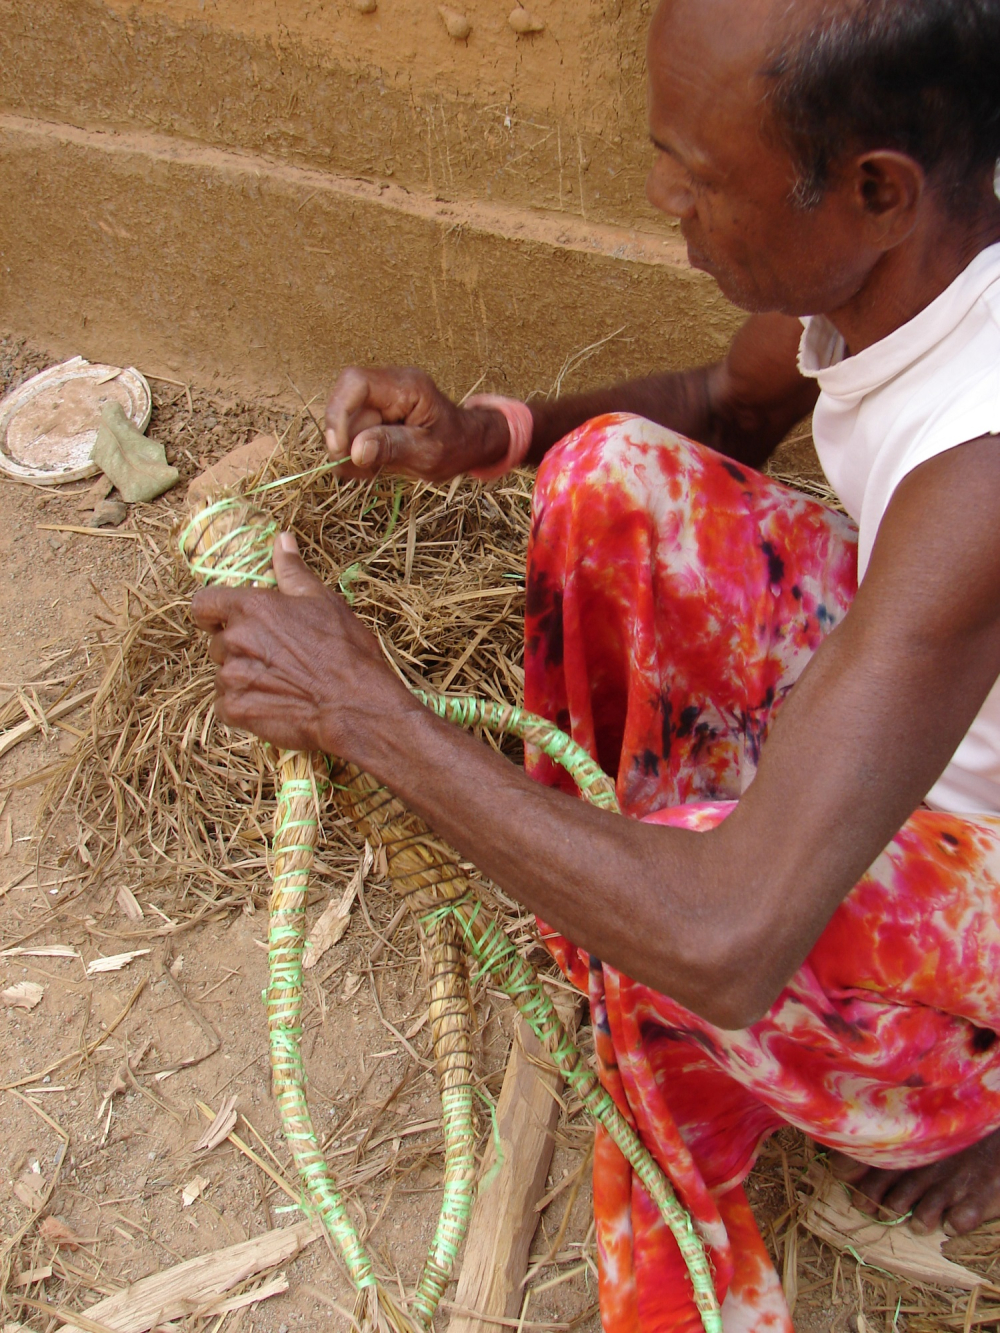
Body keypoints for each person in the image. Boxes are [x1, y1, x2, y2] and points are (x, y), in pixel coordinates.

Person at [192, 0, 1000, 1327]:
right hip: (911, 700)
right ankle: (617, 895)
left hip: (974, 884)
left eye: (700, 172)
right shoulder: (904, 260)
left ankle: (848, 1156)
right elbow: (727, 407)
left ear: (874, 191)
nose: (663, 197)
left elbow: (730, 943)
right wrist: (489, 436)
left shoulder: (981, 464)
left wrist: (363, 711)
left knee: (683, 943)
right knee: (606, 479)